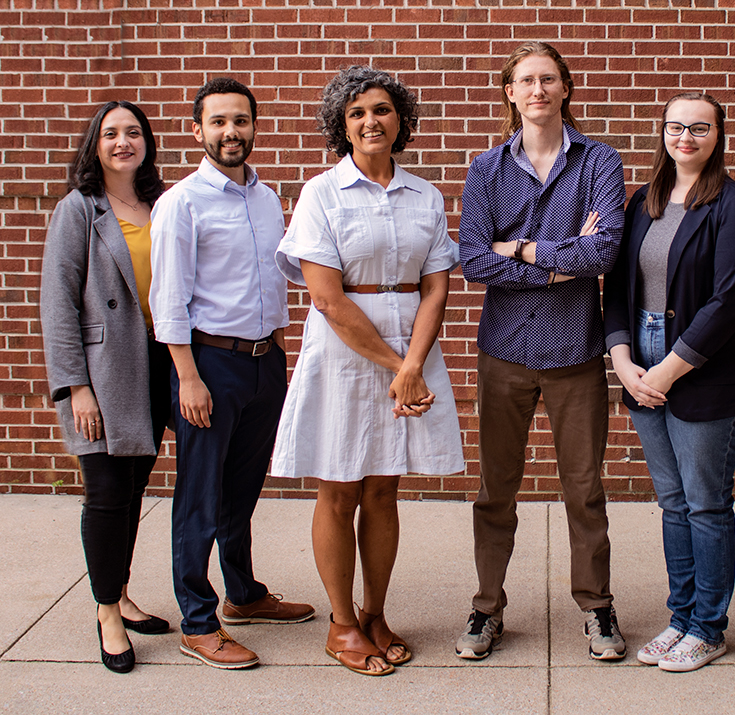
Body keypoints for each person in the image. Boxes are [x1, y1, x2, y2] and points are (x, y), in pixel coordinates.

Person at [270, 66, 465, 676]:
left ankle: (376, 613)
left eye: (381, 109)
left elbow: (437, 289)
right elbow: (326, 297)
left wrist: (413, 365)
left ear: (401, 120)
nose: (370, 121)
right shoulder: (321, 193)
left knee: (384, 486)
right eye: (356, 113)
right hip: (342, 356)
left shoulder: (425, 195)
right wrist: (396, 365)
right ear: (341, 126)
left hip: (413, 349)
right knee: (338, 486)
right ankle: (342, 621)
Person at [456, 41, 626, 661]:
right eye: (526, 80)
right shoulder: (486, 170)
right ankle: (486, 609)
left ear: (564, 88)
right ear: (509, 91)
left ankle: (598, 609)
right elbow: (473, 260)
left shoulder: (599, 163)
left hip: (574, 352)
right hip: (503, 351)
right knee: (496, 488)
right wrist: (558, 256)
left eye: (548, 78)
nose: (538, 90)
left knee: (584, 489)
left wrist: (519, 249)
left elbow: (600, 253)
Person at [149, 78, 314, 669]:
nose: (231, 132)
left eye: (240, 121)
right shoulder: (182, 203)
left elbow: (290, 271)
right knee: (199, 494)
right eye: (218, 122)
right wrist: (188, 378)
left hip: (266, 361)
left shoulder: (267, 198)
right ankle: (198, 619)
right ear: (198, 131)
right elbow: (168, 301)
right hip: (210, 365)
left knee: (242, 491)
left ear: (253, 126)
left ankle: (243, 594)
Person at [603, 93, 735, 672]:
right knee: (672, 503)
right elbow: (618, 289)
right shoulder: (640, 203)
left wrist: (669, 369)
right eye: (676, 126)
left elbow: (727, 303)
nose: (686, 138)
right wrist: (622, 361)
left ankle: (708, 627)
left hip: (702, 365)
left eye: (700, 127)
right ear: (663, 132)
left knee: (705, 504)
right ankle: (680, 617)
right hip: (641, 360)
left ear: (719, 134)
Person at [40, 101, 173, 673]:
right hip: (102, 368)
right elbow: (58, 302)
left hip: (154, 360)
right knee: (105, 492)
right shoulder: (79, 209)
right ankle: (107, 613)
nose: (124, 142)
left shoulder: (160, 204)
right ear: (95, 144)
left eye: (134, 132)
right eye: (111, 133)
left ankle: (118, 592)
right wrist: (75, 387)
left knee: (134, 487)